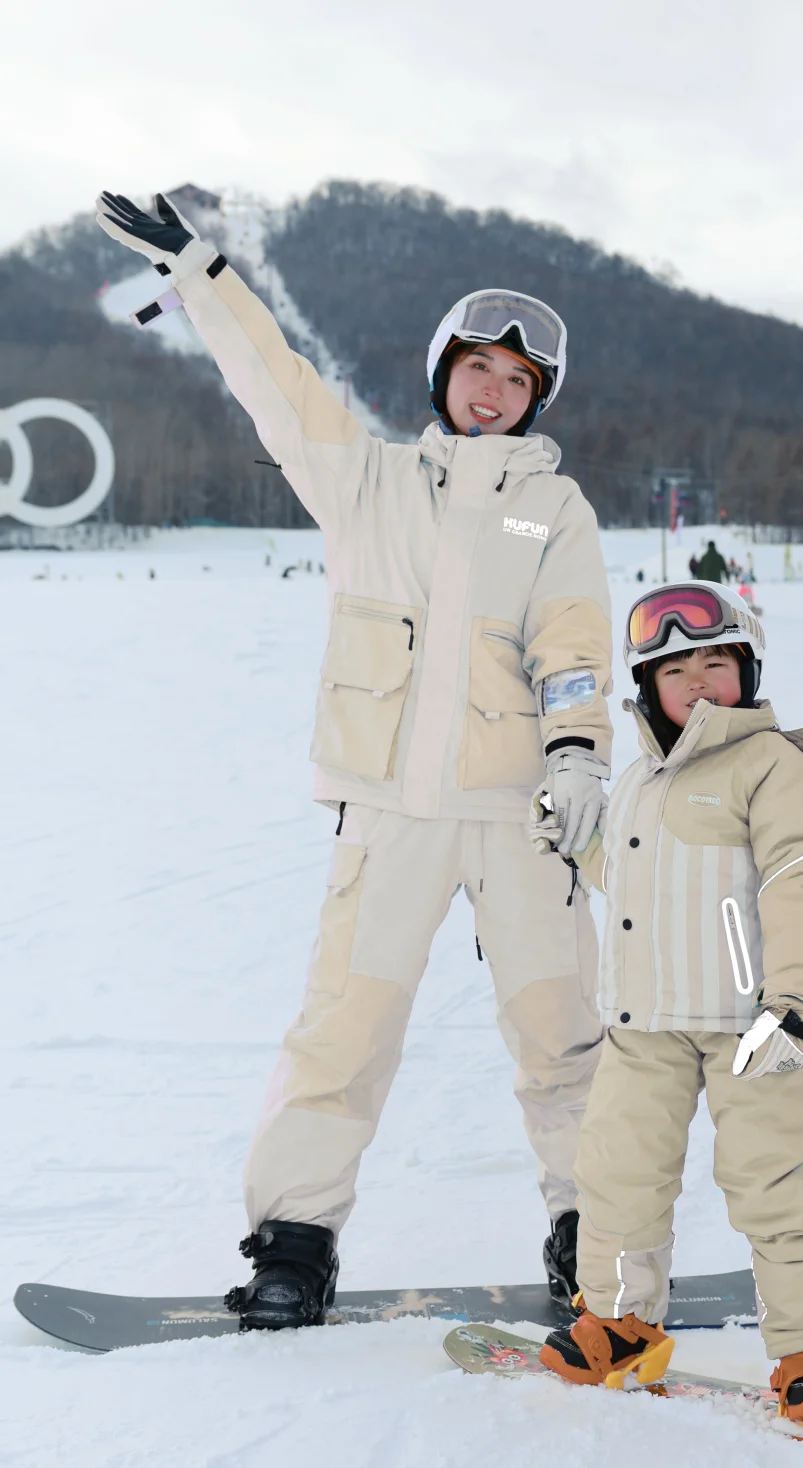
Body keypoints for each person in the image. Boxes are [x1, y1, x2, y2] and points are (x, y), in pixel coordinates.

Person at [96, 191, 614, 1326]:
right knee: (343, 1032)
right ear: (444, 376)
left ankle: (596, 1231)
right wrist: (206, 279)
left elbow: (574, 644)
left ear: (536, 402)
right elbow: (277, 387)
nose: (494, 391)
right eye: (478, 368)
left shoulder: (554, 510)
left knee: (564, 1034)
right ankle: (294, 1242)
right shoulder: (369, 483)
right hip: (389, 816)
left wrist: (578, 755)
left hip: (521, 818)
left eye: (517, 381)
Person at [531, 580, 803, 1435]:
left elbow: (801, 882)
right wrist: (586, 844)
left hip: (752, 1027)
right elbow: (638, 888)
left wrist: (792, 1005)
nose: (697, 682)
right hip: (646, 1025)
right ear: (647, 688)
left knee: (777, 1184)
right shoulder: (643, 779)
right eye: (674, 669)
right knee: (617, 1178)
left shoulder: (772, 766)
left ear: (746, 671)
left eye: (715, 662)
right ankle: (621, 1325)